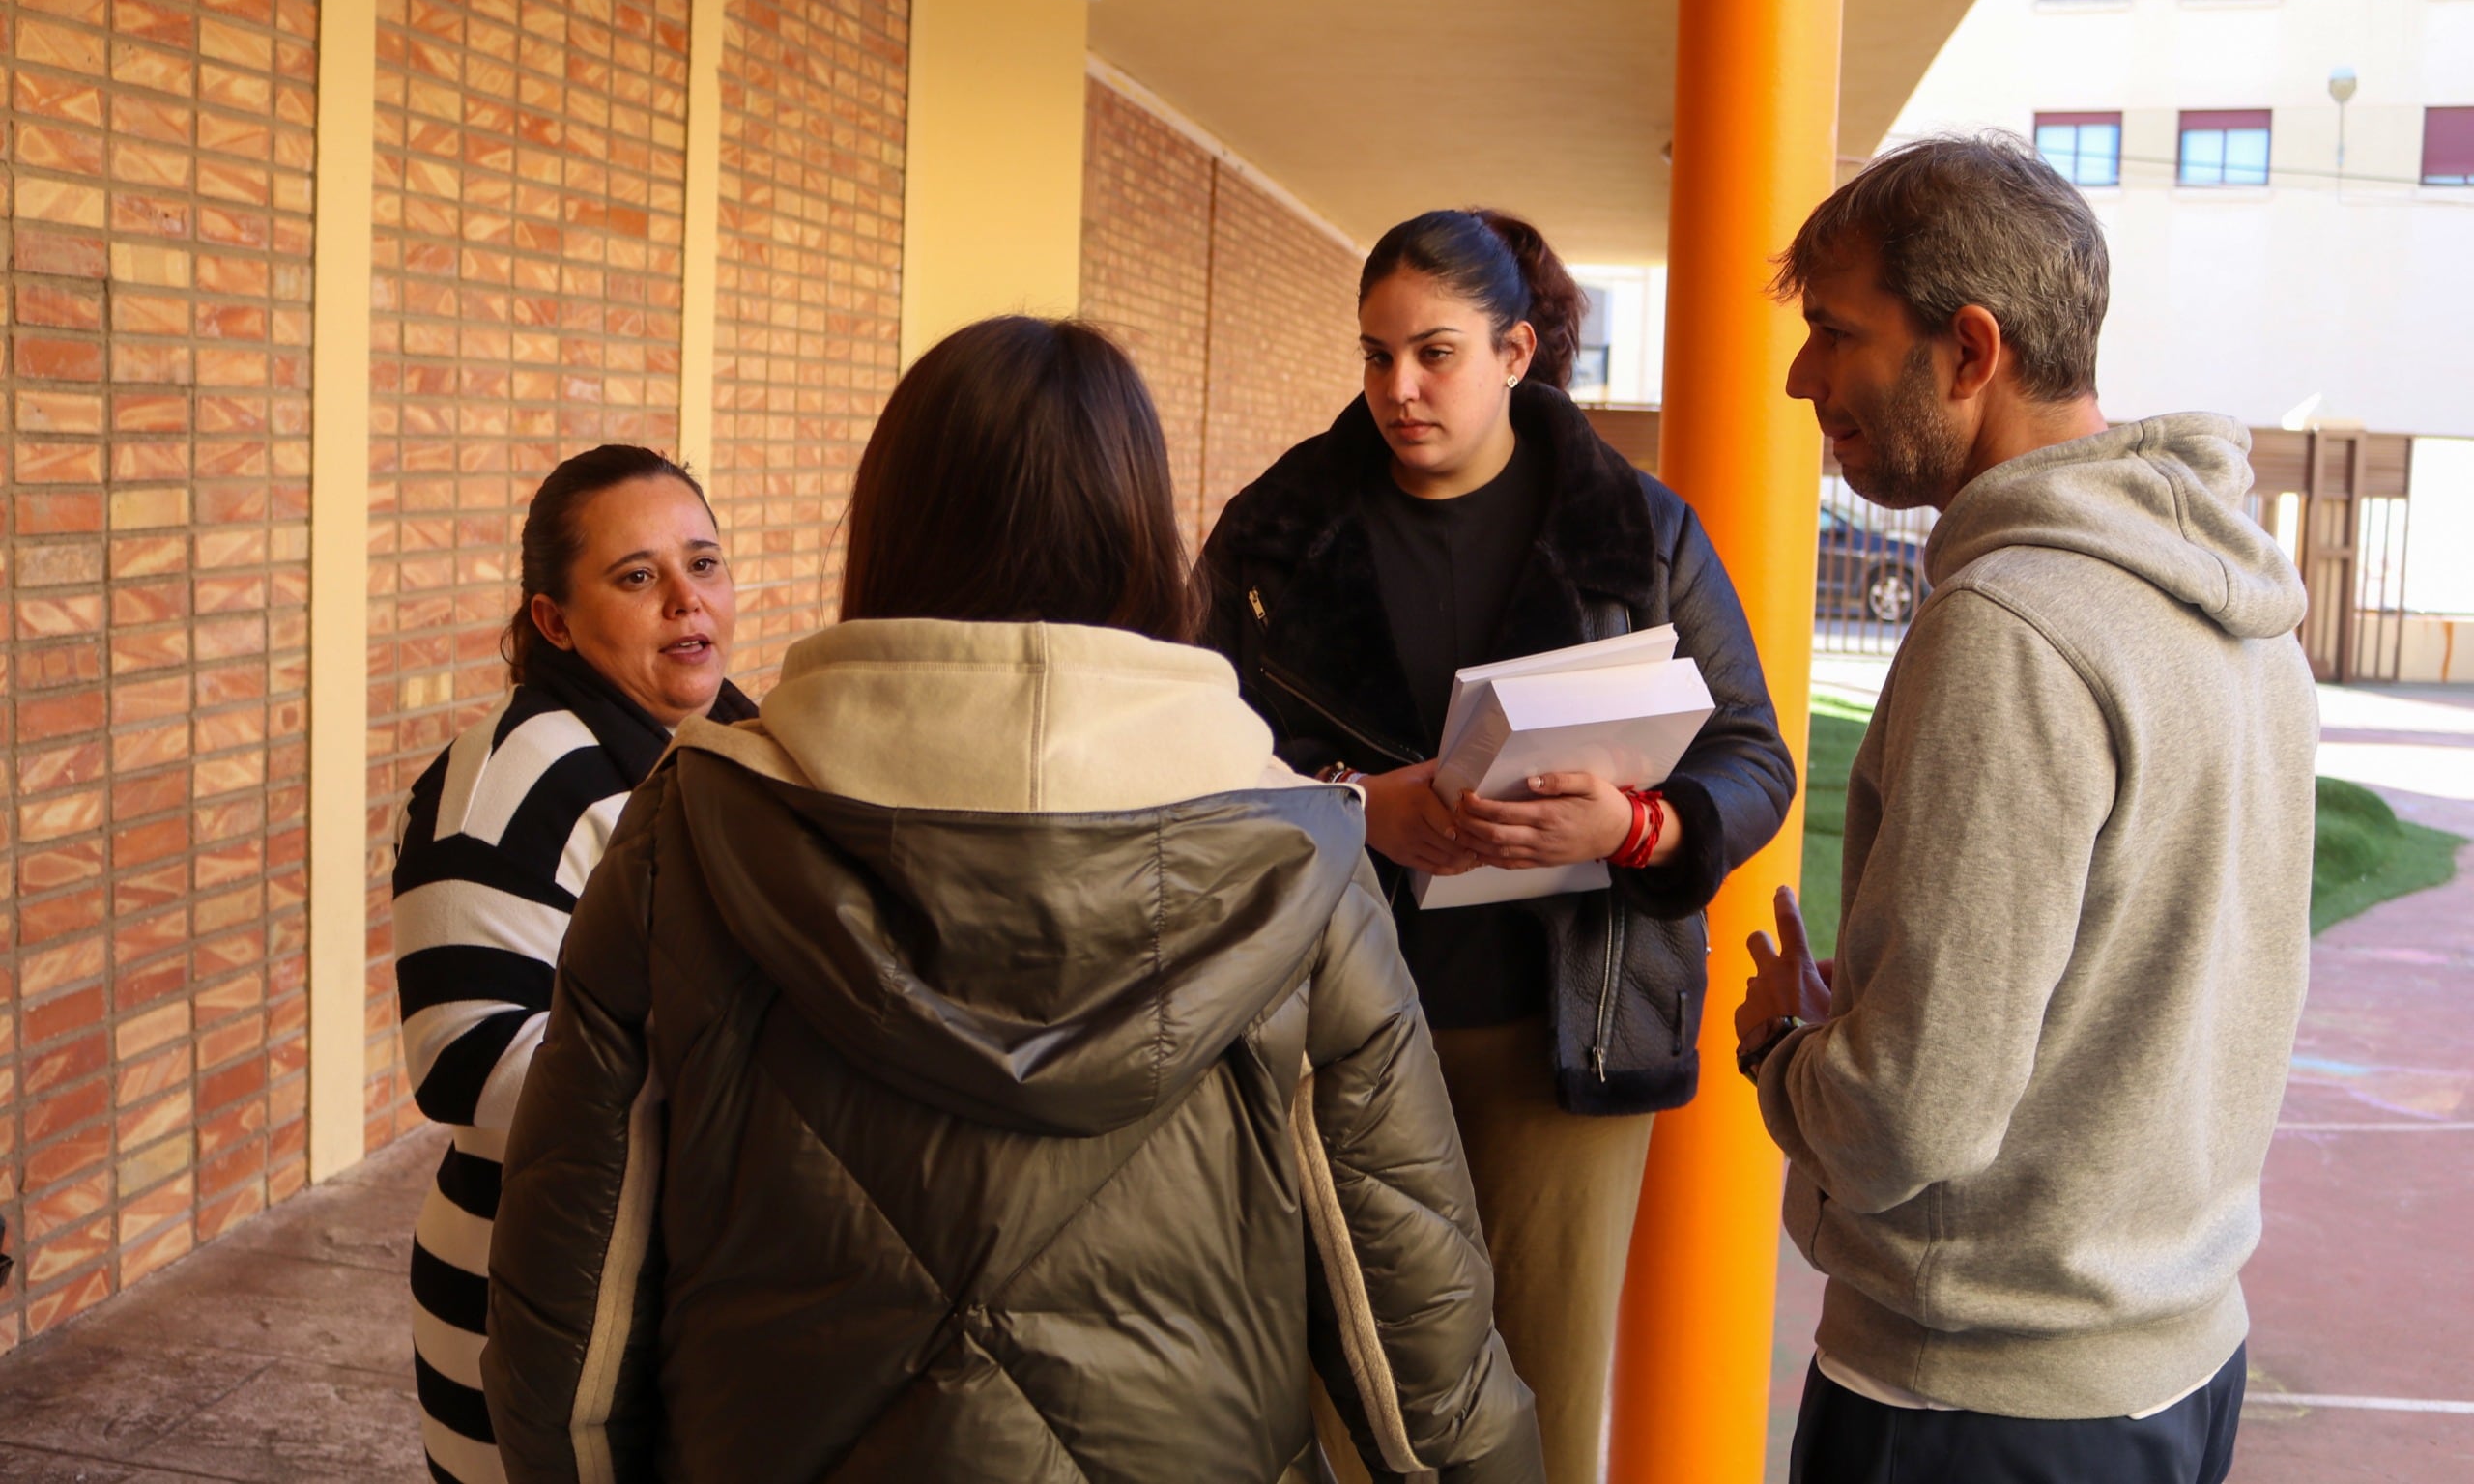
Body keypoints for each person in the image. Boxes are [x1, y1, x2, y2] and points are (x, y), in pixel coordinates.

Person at [479, 317, 1545, 1484]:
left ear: (888, 526)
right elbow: (1425, 1369)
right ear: (1143, 533)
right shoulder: (1301, 854)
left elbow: (568, 1335)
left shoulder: (690, 823)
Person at [1739, 132, 2316, 1484]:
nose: (1800, 375)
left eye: (1835, 331)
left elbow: (1908, 1119)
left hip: (1980, 1397)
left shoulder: (2010, 626)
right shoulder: (2234, 600)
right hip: (2173, 1355)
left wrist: (1786, 1054)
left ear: (1970, 350)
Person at [1199, 210, 1797, 1483]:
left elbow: (1753, 758)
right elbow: (1189, 772)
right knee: (1330, 1397)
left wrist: (1638, 823)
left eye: (1435, 352)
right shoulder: (1272, 531)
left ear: (1517, 350)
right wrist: (1360, 806)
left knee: (1542, 1404)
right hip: (1328, 1030)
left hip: (1564, 1042)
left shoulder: (1639, 531)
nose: (1398, 389)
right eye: (1373, 354)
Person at [392, 444, 753, 1484]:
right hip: (537, 1290)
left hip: (683, 1280)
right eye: (637, 577)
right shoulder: (512, 783)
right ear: (553, 620)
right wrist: (748, 1077)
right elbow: (469, 1059)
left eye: (705, 563)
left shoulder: (728, 732)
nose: (689, 599)